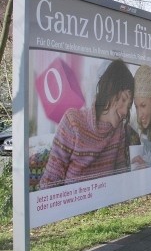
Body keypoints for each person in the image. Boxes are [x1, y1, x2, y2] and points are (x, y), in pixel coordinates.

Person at [39, 59, 137, 189]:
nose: (125, 111)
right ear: (109, 91)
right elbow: (51, 179)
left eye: (129, 105)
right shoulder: (73, 122)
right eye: (123, 99)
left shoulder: (119, 131)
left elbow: (120, 175)